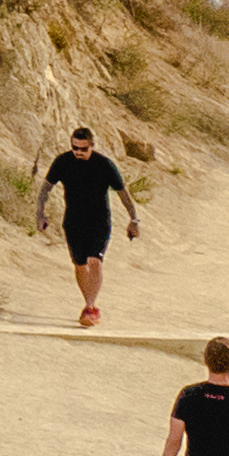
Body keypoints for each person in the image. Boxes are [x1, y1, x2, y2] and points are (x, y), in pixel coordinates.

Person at [38, 124, 141, 328]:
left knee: (95, 261)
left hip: (99, 222)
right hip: (73, 222)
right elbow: (44, 190)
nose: (78, 152)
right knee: (79, 265)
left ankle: (90, 306)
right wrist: (40, 213)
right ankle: (90, 307)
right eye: (75, 148)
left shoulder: (104, 165)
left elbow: (123, 194)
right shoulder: (63, 162)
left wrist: (134, 219)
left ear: (92, 146)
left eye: (83, 149)